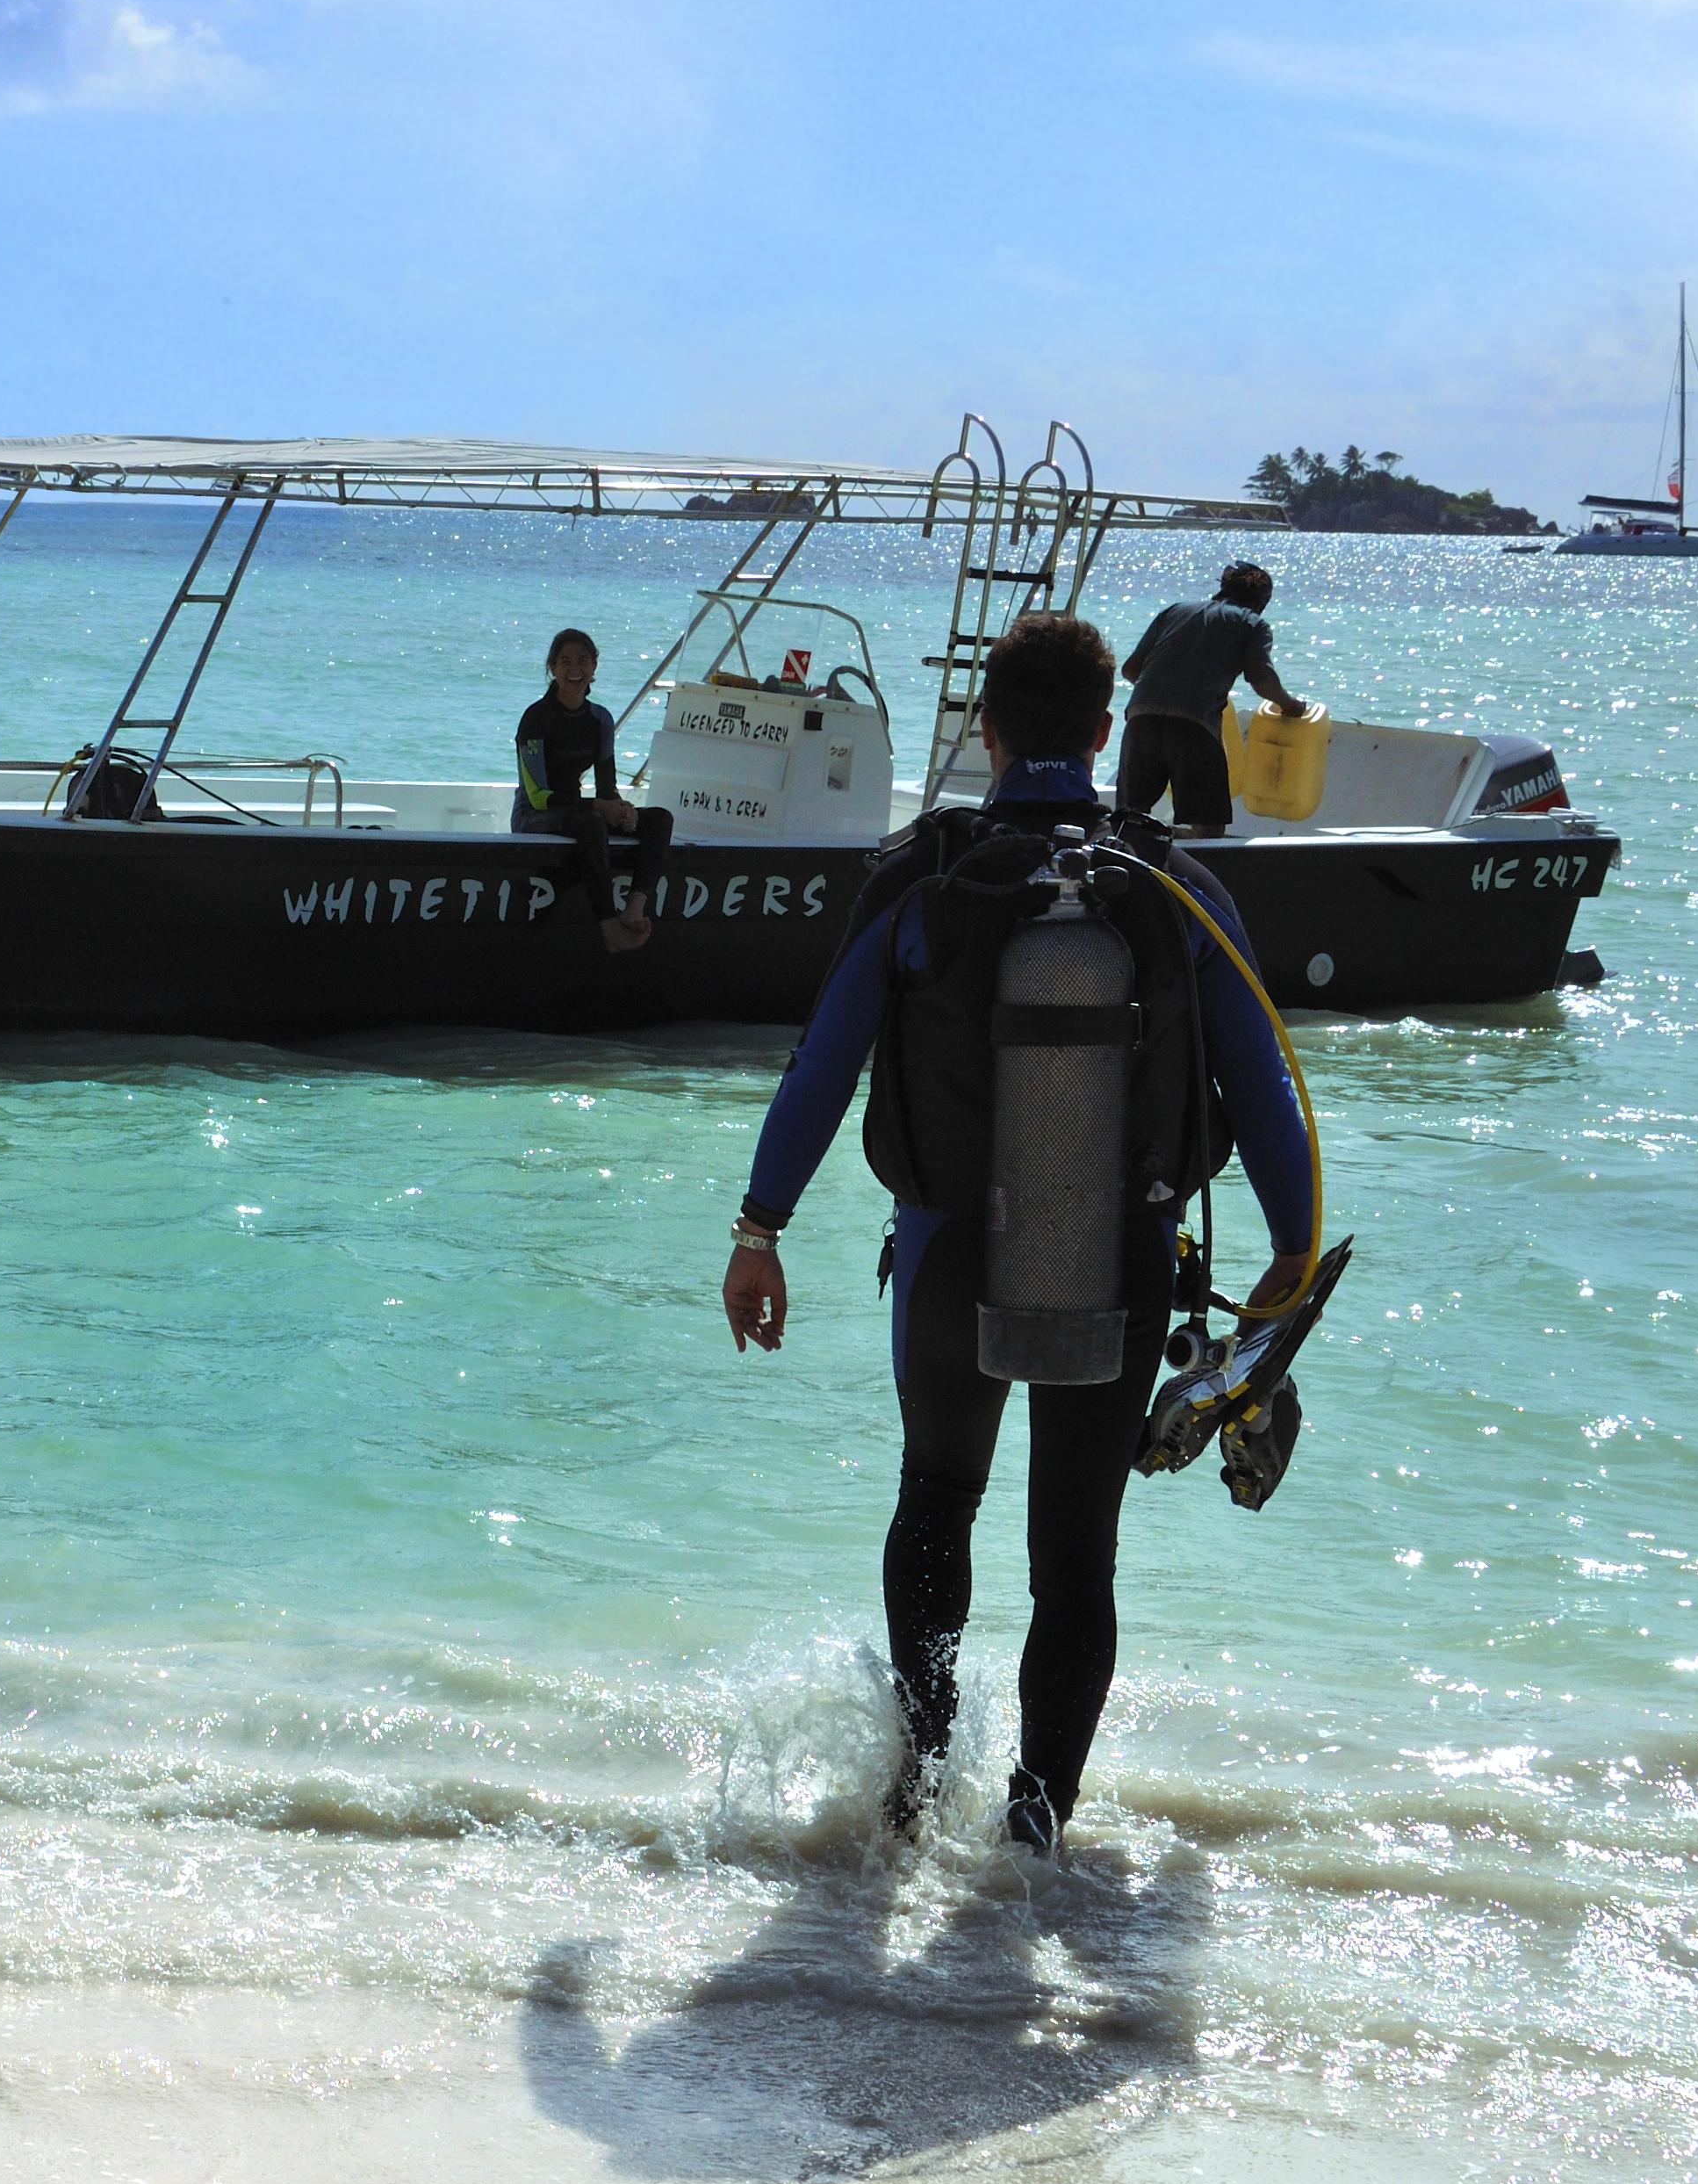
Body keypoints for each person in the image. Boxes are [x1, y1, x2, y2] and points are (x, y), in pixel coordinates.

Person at [719, 611, 1314, 1856]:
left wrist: (759, 1228)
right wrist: (1285, 1281)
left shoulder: (924, 876)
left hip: (943, 1258)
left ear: (984, 730)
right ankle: (1036, 1833)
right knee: (1076, 1559)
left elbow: (820, 1067)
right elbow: (1265, 1096)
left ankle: (919, 1790)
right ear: (1105, 733)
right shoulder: (1174, 888)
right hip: (1127, 1255)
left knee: (936, 1500)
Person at [1112, 561, 1305, 837]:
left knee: (1127, 818)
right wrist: (1290, 705)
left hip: (1141, 718)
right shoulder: (1252, 623)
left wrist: (1165, 689)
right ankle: (1191, 868)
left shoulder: (1174, 611)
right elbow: (1260, 677)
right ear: (1262, 601)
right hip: (1194, 726)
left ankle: (1124, 868)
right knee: (1208, 828)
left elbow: (1131, 670)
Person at [514, 627, 672, 954]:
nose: (575, 670)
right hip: (536, 815)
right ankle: (609, 927)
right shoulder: (536, 718)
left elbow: (607, 789)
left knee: (659, 819)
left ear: (595, 666)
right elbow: (538, 796)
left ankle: (634, 908)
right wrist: (600, 808)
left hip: (580, 811)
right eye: (565, 662)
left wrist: (621, 810)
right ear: (552, 668)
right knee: (591, 823)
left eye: (583, 661)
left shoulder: (600, 720)